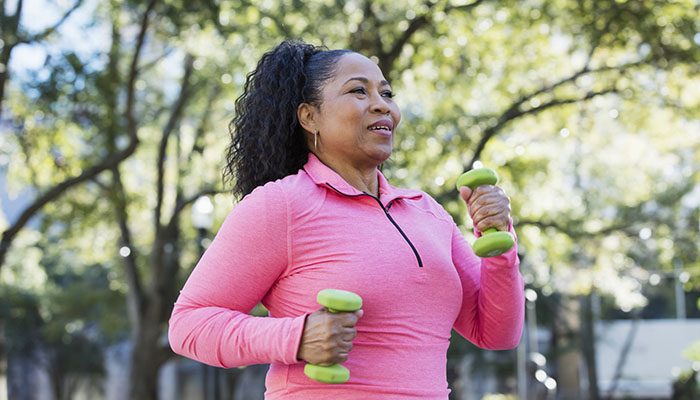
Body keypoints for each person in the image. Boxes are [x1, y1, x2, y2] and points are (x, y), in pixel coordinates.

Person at [168, 39, 524, 399]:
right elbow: (188, 325)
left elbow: (496, 333)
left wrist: (498, 240)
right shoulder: (282, 204)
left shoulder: (427, 212)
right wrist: (297, 337)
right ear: (310, 117)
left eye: (387, 94)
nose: (381, 105)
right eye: (358, 91)